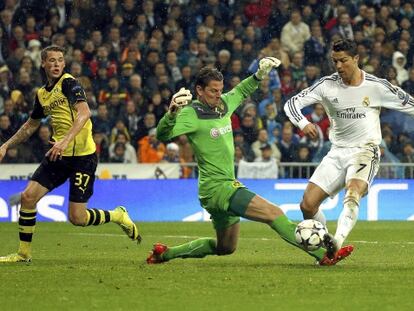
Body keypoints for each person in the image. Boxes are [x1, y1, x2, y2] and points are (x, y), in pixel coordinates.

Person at [147, 59, 353, 266]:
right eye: (212, 91)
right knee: (274, 214)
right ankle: (325, 255)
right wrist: (171, 113)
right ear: (199, 90)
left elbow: (242, 90)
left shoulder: (223, 105)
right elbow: (163, 135)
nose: (218, 95)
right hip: (219, 188)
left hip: (213, 192)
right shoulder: (191, 114)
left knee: (225, 247)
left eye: (220, 90)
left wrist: (259, 75)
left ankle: (164, 254)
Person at [0, 46, 141, 263]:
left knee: (77, 218)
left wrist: (64, 140)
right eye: (52, 61)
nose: (56, 64)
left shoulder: (70, 83)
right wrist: (6, 145)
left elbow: (84, 114)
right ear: (43, 64)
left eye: (60, 60)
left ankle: (117, 215)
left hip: (83, 156)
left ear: (64, 64)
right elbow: (30, 126)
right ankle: (23, 254)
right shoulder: (42, 94)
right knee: (28, 197)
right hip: (60, 155)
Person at [284, 39, 414, 256]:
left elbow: (411, 105)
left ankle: (337, 241)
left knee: (353, 192)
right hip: (337, 152)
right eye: (335, 61)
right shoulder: (326, 85)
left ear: (356, 59)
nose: (338, 66)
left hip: (366, 150)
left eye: (343, 60)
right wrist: (303, 123)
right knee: (307, 205)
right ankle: (326, 246)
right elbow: (291, 104)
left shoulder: (376, 86)